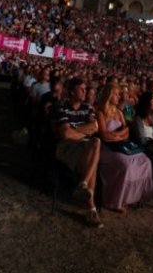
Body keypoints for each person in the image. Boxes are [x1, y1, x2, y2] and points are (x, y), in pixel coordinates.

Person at [95, 84, 153, 214]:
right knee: (125, 164)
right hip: (106, 148)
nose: (119, 97)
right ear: (109, 96)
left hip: (121, 145)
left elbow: (126, 131)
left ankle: (136, 196)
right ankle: (116, 201)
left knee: (145, 161)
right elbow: (104, 135)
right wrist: (118, 135)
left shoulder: (119, 113)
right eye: (116, 94)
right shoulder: (100, 112)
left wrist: (116, 135)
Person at [53, 77, 103, 227]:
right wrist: (83, 131)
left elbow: (95, 127)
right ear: (72, 91)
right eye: (81, 89)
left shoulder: (87, 108)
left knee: (96, 142)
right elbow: (66, 135)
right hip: (66, 147)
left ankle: (83, 185)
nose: (85, 92)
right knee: (92, 165)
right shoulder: (61, 107)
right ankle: (90, 208)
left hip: (84, 145)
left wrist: (74, 130)